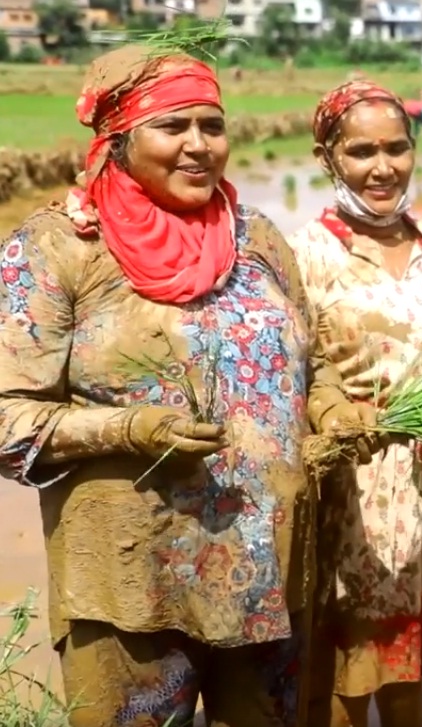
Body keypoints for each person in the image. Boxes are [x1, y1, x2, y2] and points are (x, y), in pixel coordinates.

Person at [0, 44, 374, 725]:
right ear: (118, 139)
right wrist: (128, 429)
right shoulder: (61, 248)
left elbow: (306, 364)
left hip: (269, 579)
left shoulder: (257, 237)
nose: (199, 145)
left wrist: (332, 409)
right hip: (130, 590)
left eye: (212, 125)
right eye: (173, 127)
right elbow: (7, 419)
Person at [289, 81, 422, 727]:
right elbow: (295, 375)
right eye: (362, 151)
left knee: (410, 641)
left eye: (396, 148)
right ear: (327, 157)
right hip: (352, 483)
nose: (382, 167)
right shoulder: (306, 253)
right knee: (354, 655)